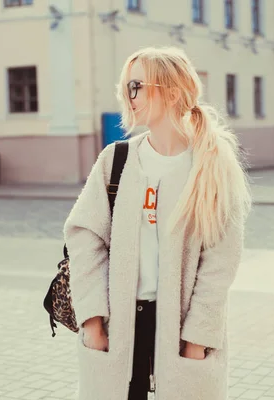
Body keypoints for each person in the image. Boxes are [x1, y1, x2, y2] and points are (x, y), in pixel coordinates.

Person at [63, 46, 251, 400]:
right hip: (116, 326)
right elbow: (84, 236)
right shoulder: (115, 160)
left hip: (180, 332)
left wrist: (197, 338)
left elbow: (221, 262)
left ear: (171, 92)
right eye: (124, 88)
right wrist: (91, 320)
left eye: (136, 86)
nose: (127, 96)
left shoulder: (210, 165)